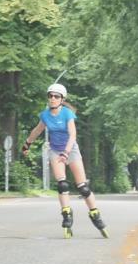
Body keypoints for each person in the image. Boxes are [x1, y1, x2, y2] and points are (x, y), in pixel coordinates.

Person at [21, 83, 108, 239]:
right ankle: (67, 215)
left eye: (56, 96)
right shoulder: (45, 115)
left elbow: (73, 135)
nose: (52, 99)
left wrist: (66, 152)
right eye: (50, 96)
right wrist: (27, 143)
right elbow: (37, 130)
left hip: (71, 150)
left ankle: (95, 214)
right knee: (62, 184)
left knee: (83, 188)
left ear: (62, 99)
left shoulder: (67, 114)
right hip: (55, 151)